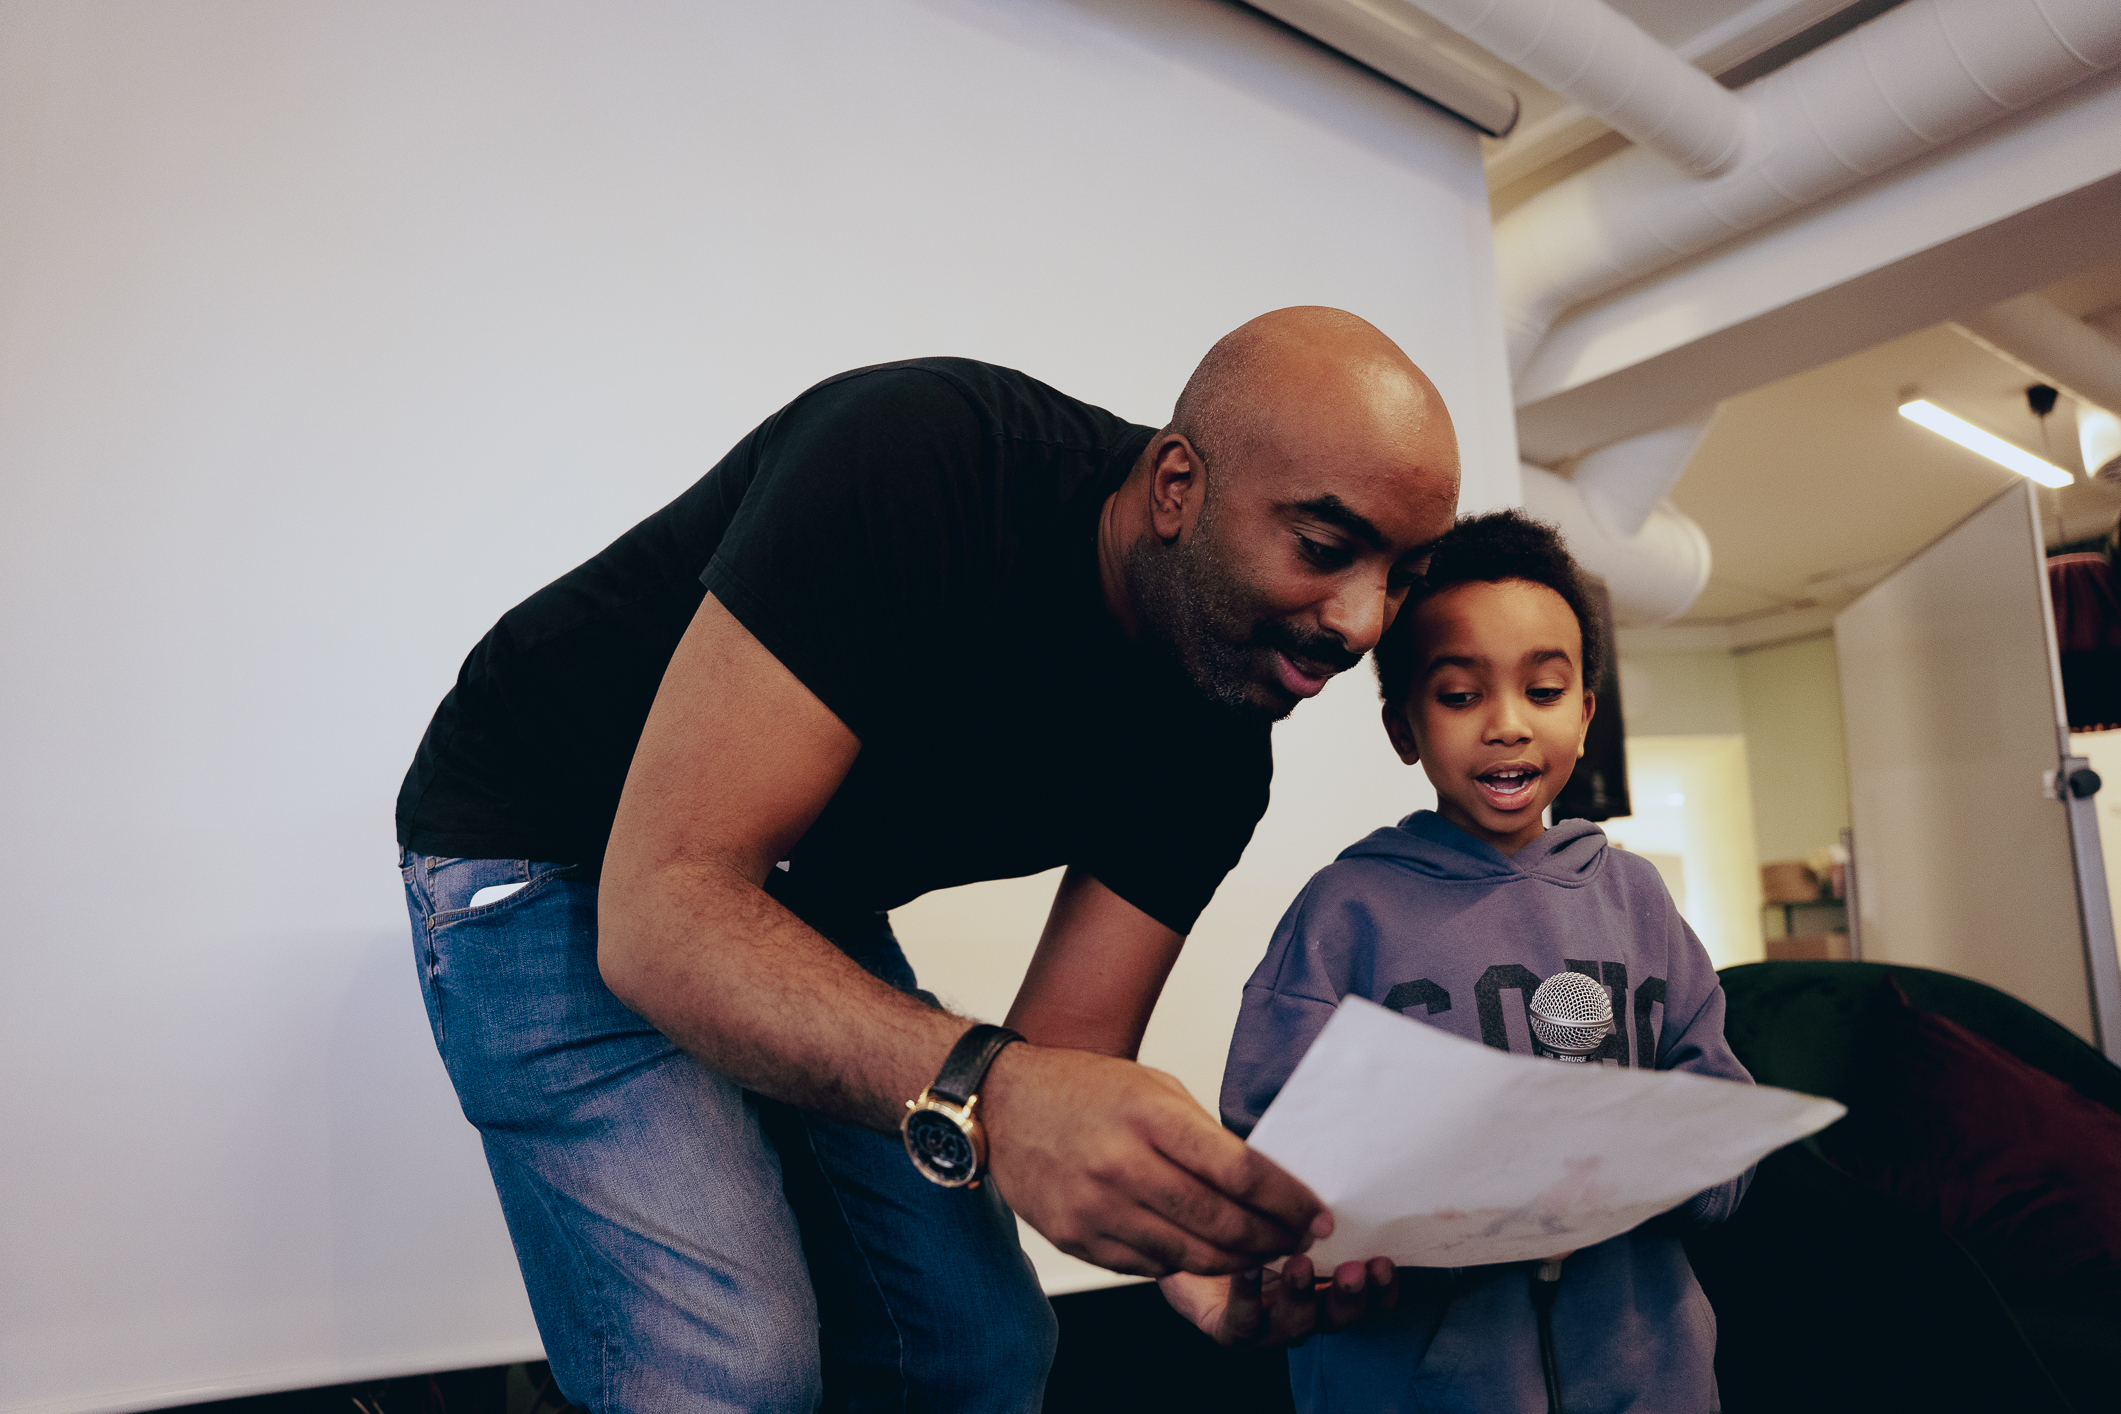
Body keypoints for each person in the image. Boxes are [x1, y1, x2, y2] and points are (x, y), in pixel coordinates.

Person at [394, 307, 1461, 1411]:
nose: (1363, 620)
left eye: (1403, 573)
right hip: (551, 840)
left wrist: (1192, 1252)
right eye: (1327, 549)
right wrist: (997, 1087)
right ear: (1177, 486)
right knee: (732, 1368)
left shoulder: (1222, 735)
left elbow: (1063, 1064)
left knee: (982, 1349)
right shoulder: (920, 461)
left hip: (792, 888)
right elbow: (664, 911)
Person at [1202, 510, 1752, 1413]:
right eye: (1459, 695)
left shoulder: (1637, 903)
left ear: (1584, 713)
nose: (1505, 726)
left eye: (1542, 692)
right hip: (1415, 1386)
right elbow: (1263, 1146)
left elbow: (1722, 1129)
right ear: (1402, 726)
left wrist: (1661, 1160)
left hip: (1650, 1378)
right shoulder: (1348, 912)